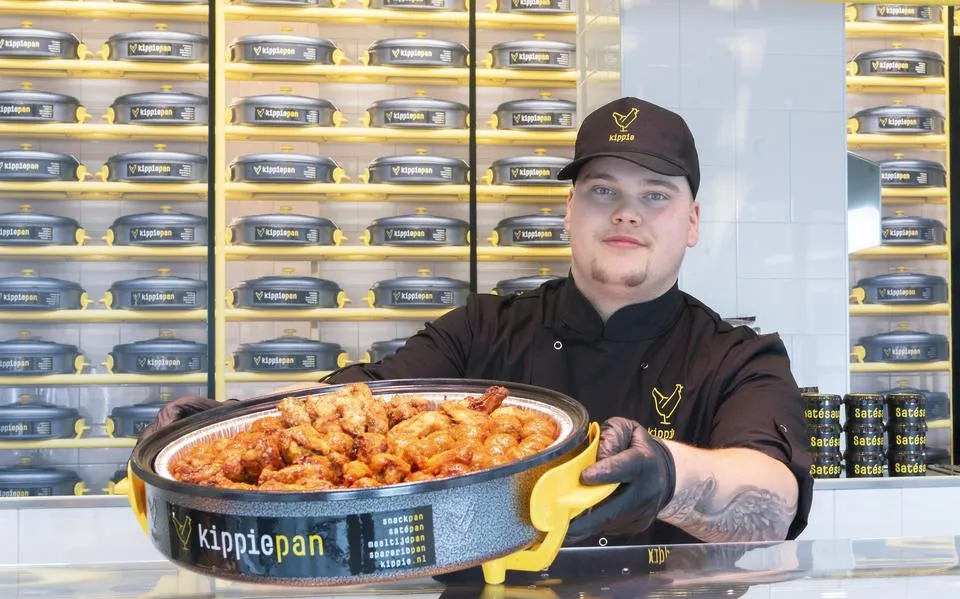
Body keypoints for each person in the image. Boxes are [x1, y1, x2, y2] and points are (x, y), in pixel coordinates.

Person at [146, 96, 814, 548]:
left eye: (656, 195)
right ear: (568, 211)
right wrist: (238, 424)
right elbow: (362, 406)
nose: (626, 212)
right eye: (602, 189)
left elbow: (774, 500)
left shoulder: (739, 357)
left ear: (692, 222)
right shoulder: (483, 328)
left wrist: (668, 475)